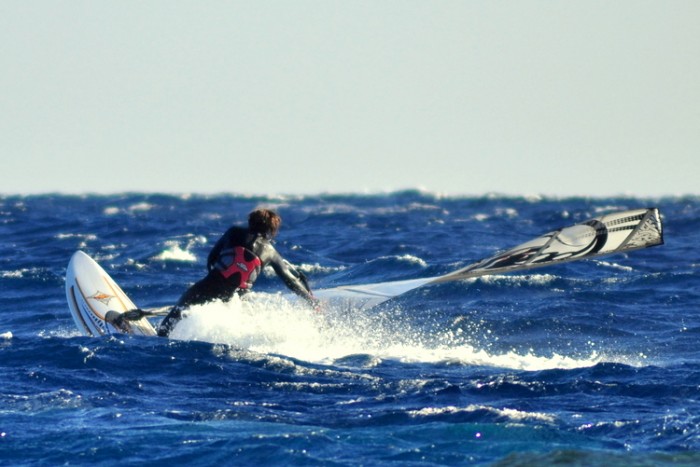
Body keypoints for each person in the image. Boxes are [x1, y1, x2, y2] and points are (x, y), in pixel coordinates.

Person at [156, 208, 318, 337]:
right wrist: (310, 300)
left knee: (178, 313)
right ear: (271, 229)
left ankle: (161, 338)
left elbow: (212, 257)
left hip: (208, 287)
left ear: (250, 221)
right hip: (232, 299)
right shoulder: (271, 252)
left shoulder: (234, 232)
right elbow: (291, 281)